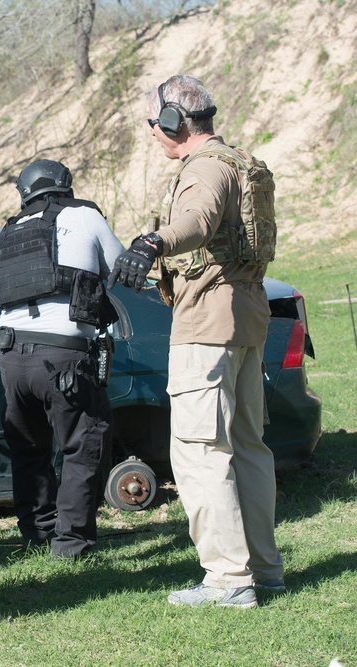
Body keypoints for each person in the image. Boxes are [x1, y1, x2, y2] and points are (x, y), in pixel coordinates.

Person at [108, 74, 284, 608]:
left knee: (200, 452)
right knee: (248, 447)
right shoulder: (237, 162)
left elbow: (196, 221)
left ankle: (229, 580)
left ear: (170, 121)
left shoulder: (204, 168)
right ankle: (262, 569)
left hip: (207, 325)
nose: (152, 136)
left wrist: (151, 241)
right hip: (246, 319)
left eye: (152, 125)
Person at [0, 159, 124, 559]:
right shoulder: (84, 216)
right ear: (64, 187)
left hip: (12, 358)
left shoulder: (4, 235)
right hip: (64, 355)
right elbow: (118, 269)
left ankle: (37, 534)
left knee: (27, 449)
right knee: (81, 447)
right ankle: (71, 545)